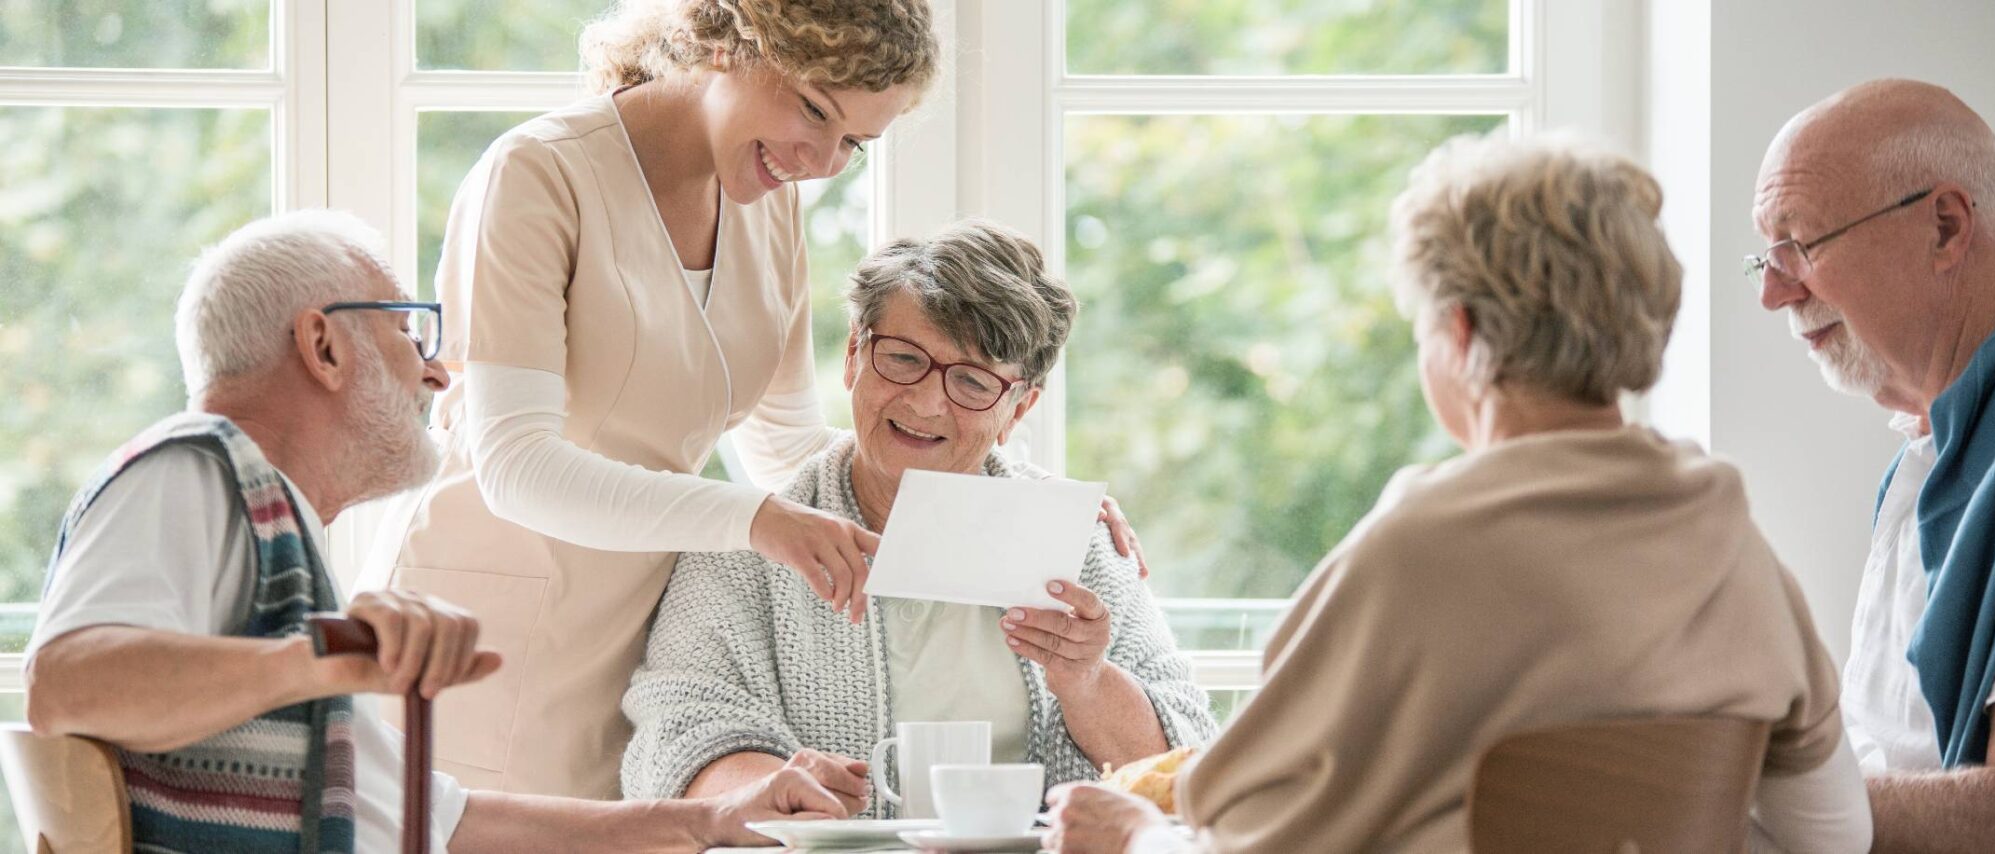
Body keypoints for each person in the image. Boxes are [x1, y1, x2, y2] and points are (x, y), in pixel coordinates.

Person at [373, 0, 1145, 799]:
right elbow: (515, 466)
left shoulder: (765, 201)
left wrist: (1023, 512)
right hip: (482, 637)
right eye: (814, 109)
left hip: (635, 642)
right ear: (724, 37)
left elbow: (789, 447)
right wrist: (757, 519)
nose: (817, 160)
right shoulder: (539, 174)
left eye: (853, 143)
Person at [1045, 133, 1873, 853]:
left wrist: (1139, 837)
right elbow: (1836, 836)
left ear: (1462, 333)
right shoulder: (1731, 538)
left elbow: (1245, 827)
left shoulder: (1415, 547)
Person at [24, 211, 852, 853]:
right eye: (408, 331)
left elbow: (450, 825)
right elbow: (66, 682)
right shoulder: (196, 469)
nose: (436, 369)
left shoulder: (266, 534)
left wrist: (708, 820)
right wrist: (320, 655)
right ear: (322, 345)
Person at [620, 220, 1215, 813]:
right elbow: (681, 729)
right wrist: (767, 788)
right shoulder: (752, 542)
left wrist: (1087, 681)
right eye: (903, 359)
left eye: (973, 382)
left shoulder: (1078, 543)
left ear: (1017, 408)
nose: (926, 402)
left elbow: (1186, 766)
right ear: (854, 354)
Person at [1748, 79, 1995, 850]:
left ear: (1945, 228)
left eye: (1800, 245)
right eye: (1765, 256)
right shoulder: (1940, 440)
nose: (1775, 294)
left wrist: (1743, 800)